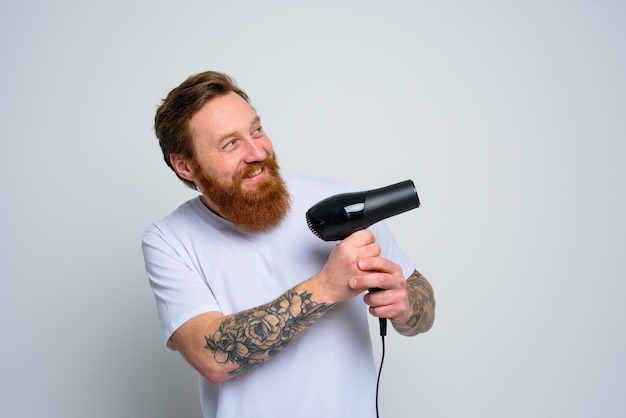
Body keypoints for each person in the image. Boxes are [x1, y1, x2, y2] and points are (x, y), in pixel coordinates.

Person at [142, 70, 435, 418]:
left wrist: (404, 306)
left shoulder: (336, 203)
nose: (257, 151)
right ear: (185, 166)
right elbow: (211, 356)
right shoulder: (169, 239)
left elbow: (422, 303)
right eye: (230, 143)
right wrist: (327, 286)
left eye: (256, 130)